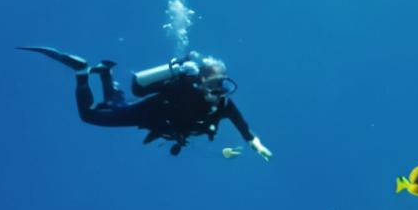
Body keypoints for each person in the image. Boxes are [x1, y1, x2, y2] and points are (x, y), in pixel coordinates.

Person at [19, 47, 271, 159]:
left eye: (221, 85)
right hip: (147, 114)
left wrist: (254, 143)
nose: (217, 91)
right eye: (212, 84)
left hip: (154, 120)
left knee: (113, 102)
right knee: (90, 115)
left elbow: (242, 125)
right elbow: (138, 86)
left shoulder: (223, 104)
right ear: (200, 81)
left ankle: (105, 73)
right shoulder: (184, 85)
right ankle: (82, 72)